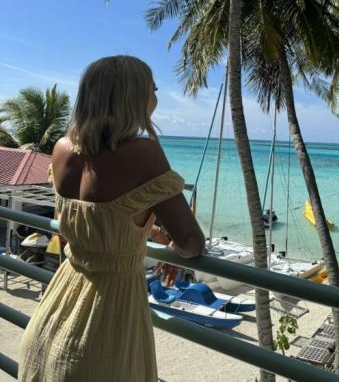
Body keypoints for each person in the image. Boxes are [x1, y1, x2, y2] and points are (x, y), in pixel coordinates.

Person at [18, 55, 205, 382]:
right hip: (108, 323)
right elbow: (191, 241)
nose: (157, 98)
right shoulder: (143, 153)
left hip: (54, 313)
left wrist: (151, 232)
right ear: (134, 98)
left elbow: (90, 221)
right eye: (153, 90)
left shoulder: (62, 149)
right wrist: (173, 246)